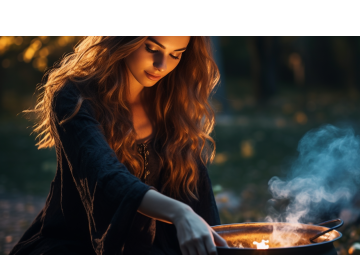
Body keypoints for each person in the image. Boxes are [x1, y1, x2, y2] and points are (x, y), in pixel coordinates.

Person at [9, 36, 228, 255]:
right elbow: (106, 176)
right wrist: (180, 213)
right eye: (152, 48)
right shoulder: (74, 97)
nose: (162, 65)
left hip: (154, 248)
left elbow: (199, 192)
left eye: (175, 54)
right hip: (77, 246)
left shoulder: (172, 101)